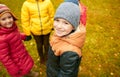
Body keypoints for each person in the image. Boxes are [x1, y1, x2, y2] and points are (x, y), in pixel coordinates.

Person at [46, 2, 86, 77]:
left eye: (66, 23)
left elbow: (66, 74)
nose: (59, 26)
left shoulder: (70, 52)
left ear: (74, 26)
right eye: (57, 20)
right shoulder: (61, 33)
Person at [0, 4, 34, 77]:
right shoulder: (2, 39)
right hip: (15, 62)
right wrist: (12, 68)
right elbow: (4, 57)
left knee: (26, 65)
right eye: (3, 19)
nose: (8, 21)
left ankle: (29, 73)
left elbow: (15, 35)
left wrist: (24, 37)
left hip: (21, 53)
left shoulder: (12, 28)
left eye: (9, 17)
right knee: (19, 73)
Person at [21, 0, 55, 64]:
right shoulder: (26, 4)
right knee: (39, 45)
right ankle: (41, 58)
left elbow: (52, 15)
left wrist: (53, 25)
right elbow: (25, 19)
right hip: (35, 29)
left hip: (47, 27)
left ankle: (47, 57)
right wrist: (27, 33)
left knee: (46, 44)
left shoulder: (47, 2)